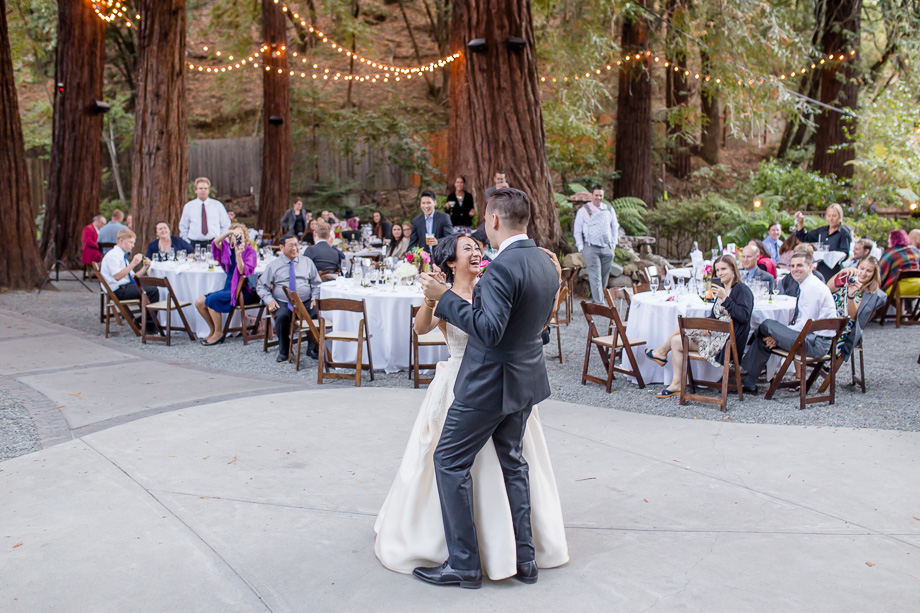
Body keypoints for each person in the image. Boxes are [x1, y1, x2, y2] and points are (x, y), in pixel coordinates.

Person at [376, 232, 568, 582]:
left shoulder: (494, 284)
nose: (477, 252)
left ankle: (476, 559)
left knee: (476, 462)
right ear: (451, 261)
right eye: (468, 249)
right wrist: (432, 299)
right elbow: (421, 329)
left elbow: (509, 329)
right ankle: (509, 556)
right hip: (463, 383)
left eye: (478, 247)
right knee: (494, 463)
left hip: (492, 385)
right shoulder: (448, 294)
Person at [414, 187, 562, 588]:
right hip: (525, 380)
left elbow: (490, 331)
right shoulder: (547, 263)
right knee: (513, 462)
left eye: (485, 221)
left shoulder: (499, 269)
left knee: (448, 461)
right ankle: (526, 560)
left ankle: (463, 564)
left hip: (486, 384)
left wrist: (444, 298)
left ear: (494, 220)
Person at [647, 255, 753, 399]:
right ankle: (677, 383)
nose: (720, 273)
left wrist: (725, 298)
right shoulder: (721, 289)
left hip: (726, 343)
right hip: (715, 335)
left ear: (733, 269)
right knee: (676, 341)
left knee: (683, 326)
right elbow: (716, 316)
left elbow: (744, 316)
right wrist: (708, 324)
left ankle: (661, 352)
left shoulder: (742, 290)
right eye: (717, 270)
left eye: (723, 269)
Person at [740, 252, 837, 394]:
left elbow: (805, 325)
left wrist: (778, 336)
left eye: (799, 265)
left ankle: (747, 350)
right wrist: (779, 335)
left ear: (810, 267)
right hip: (811, 338)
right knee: (765, 336)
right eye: (792, 266)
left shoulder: (812, 288)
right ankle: (749, 383)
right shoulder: (808, 284)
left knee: (767, 325)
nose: (795, 269)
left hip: (815, 343)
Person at [257, 234, 322, 362]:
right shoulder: (273, 265)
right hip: (283, 302)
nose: (295, 248)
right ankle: (284, 350)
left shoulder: (307, 262)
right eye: (290, 245)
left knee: (316, 314)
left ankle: (312, 348)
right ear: (281, 247)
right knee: (282, 317)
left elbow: (317, 283)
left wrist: (315, 297)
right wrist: (270, 300)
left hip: (305, 301)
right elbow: (261, 286)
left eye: (296, 245)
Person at [194, 223, 259, 346]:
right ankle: (213, 330)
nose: (238, 237)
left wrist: (239, 255)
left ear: (245, 237)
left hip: (242, 291)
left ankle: (219, 333)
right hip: (229, 288)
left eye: (240, 235)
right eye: (235, 235)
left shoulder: (250, 252)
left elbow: (242, 271)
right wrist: (229, 233)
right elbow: (215, 242)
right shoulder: (228, 249)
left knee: (212, 300)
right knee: (199, 302)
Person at [826, 256, 885, 362]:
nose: (863, 273)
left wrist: (851, 295)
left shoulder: (870, 293)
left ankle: (822, 361)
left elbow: (853, 316)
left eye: (869, 271)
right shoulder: (848, 278)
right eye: (862, 268)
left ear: (874, 274)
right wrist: (842, 272)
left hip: (843, 324)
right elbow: (828, 289)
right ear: (857, 267)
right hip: (828, 316)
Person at [573, 185, 619, 303]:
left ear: (603, 196)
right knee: (595, 276)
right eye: (596, 195)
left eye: (600, 195)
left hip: (607, 247)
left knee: (604, 276)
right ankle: (600, 303)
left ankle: (599, 299)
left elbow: (614, 227)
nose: (598, 197)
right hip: (590, 247)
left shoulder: (609, 209)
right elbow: (577, 230)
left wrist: (613, 245)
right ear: (591, 196)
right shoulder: (583, 210)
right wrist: (581, 247)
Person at [98, 229, 158, 307]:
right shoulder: (113, 255)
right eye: (130, 242)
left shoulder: (121, 254)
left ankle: (145, 317)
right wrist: (133, 263)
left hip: (124, 287)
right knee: (153, 291)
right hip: (117, 290)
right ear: (121, 240)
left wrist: (145, 268)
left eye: (133, 243)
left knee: (150, 287)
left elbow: (132, 277)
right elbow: (117, 276)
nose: (132, 246)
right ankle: (149, 319)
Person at [793, 203, 851, 279]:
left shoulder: (844, 233)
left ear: (840, 216)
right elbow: (804, 237)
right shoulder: (822, 230)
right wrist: (800, 223)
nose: (831, 219)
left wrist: (831, 255)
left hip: (834, 270)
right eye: (829, 216)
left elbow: (845, 253)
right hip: (820, 268)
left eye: (834, 216)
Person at [179, 177, 231, 250]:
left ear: (209, 190)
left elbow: (226, 225)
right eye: (200, 188)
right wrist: (187, 242)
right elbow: (183, 226)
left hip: (214, 243)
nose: (203, 191)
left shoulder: (217, 205)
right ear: (196, 190)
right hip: (194, 244)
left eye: (205, 188)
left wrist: (221, 240)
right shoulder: (188, 206)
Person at [407, 190, 453, 254]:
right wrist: (407, 257)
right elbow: (413, 243)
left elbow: (450, 238)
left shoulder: (444, 218)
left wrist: (438, 241)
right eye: (423, 203)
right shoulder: (416, 221)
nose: (426, 206)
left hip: (440, 257)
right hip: (424, 260)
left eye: (428, 203)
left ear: (435, 202)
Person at [878, 228, 920, 294]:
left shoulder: (890, 253)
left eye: (889, 238)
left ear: (893, 239)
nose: (888, 241)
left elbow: (880, 274)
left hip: (898, 289)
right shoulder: (915, 250)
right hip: (917, 287)